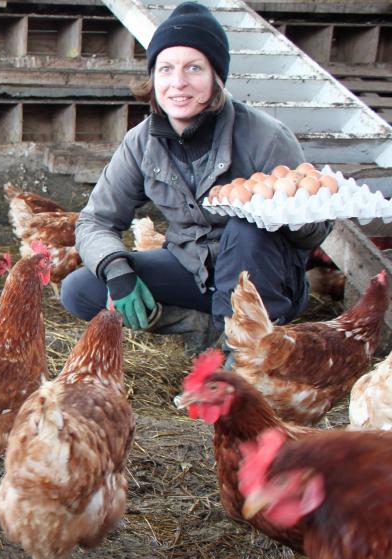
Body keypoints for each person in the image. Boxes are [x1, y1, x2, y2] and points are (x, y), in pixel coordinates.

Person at [61, 1, 330, 355]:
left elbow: (316, 230)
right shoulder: (142, 141)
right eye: (166, 69)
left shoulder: (266, 137)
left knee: (246, 225)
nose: (178, 83)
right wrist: (116, 270)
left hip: (260, 283)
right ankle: (202, 328)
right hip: (193, 272)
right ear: (153, 77)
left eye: (194, 68)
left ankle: (248, 353)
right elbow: (96, 220)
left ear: (217, 75)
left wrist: (286, 210)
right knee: (80, 289)